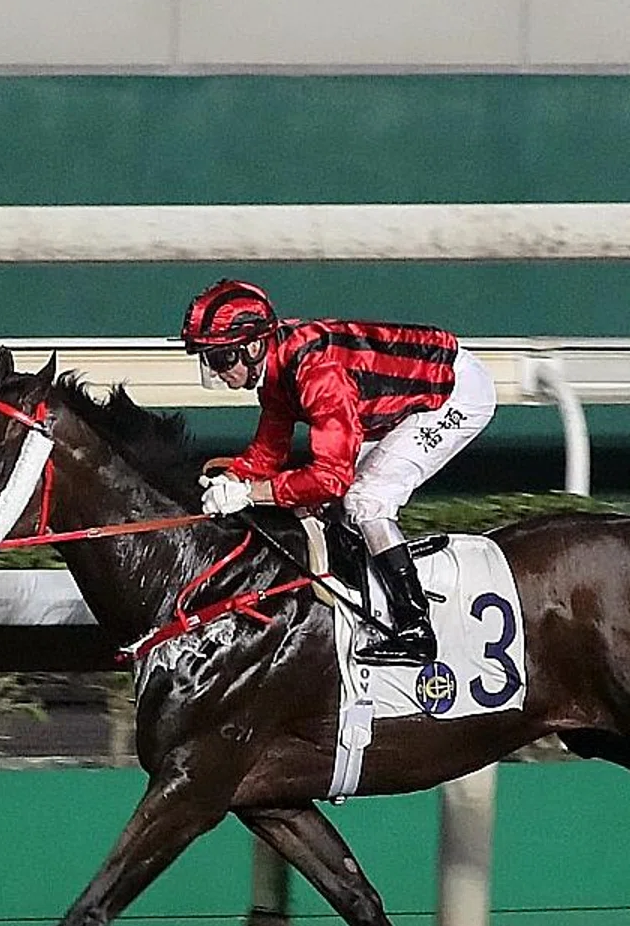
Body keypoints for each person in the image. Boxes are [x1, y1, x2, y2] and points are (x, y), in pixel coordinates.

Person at [182, 278, 496, 667]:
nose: (216, 371)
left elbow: (331, 477)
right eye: (209, 360)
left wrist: (250, 494)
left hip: (454, 392)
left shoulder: (315, 373)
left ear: (252, 346)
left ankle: (415, 629)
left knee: (365, 500)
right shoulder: (278, 366)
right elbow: (268, 452)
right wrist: (230, 481)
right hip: (398, 396)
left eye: (220, 359)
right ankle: (365, 598)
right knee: (329, 505)